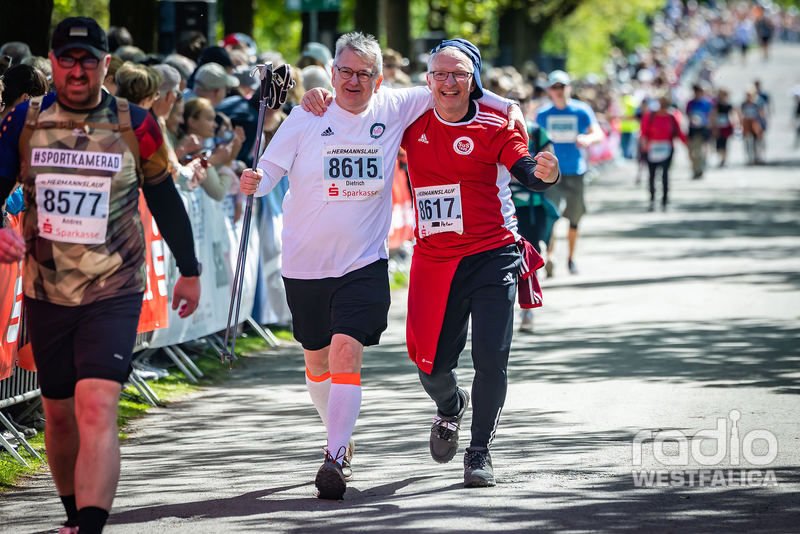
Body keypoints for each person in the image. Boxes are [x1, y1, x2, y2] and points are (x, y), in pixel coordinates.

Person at [239, 31, 525, 500]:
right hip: (305, 262)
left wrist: (507, 104)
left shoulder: (395, 105)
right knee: (317, 362)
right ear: (332, 73)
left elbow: (454, 84)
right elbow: (269, 171)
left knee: (346, 353)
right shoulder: (307, 114)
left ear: (379, 78)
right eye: (345, 72)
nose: (354, 81)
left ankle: (335, 457)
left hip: (364, 261)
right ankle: (339, 433)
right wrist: (256, 180)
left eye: (364, 73)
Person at [0, 18, 202, 534]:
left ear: (105, 63)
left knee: (96, 405)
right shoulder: (24, 119)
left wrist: (190, 270)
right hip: (47, 289)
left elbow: (166, 199)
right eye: (67, 60)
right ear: (53, 61)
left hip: (115, 289)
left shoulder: (137, 124)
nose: (77, 70)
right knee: (59, 414)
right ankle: (74, 513)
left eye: (88, 60)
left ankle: (90, 526)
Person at [400, 39, 559, 487]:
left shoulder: (495, 124)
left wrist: (543, 175)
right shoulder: (409, 122)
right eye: (440, 74)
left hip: (493, 254)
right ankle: (450, 406)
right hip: (435, 260)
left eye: (459, 74)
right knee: (430, 366)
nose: (449, 82)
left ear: (474, 82)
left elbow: (524, 166)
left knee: (491, 357)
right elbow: (356, 112)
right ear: (428, 80)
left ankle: (479, 451)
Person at [536, 70, 604, 276]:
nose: (558, 91)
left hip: (576, 171)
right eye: (554, 87)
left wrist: (587, 139)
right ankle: (550, 256)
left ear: (569, 88)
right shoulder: (543, 114)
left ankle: (571, 259)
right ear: (549, 90)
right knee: (551, 215)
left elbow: (598, 133)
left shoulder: (581, 110)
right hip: (551, 174)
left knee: (575, 216)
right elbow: (533, 138)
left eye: (561, 86)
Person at [179, 98, 234, 200]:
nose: (215, 125)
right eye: (209, 119)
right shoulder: (191, 149)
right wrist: (227, 163)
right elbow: (218, 192)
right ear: (192, 122)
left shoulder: (198, 148)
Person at [640, 94, 687, 211]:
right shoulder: (650, 116)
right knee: (652, 175)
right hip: (652, 148)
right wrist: (644, 146)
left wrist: (687, 144)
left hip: (667, 149)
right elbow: (644, 132)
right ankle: (652, 200)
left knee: (665, 175)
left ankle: (665, 201)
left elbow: (679, 132)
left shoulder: (672, 116)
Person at [685, 83, 713, 179]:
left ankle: (700, 168)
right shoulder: (690, 103)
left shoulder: (706, 103)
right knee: (693, 151)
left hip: (703, 129)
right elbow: (688, 114)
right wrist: (692, 119)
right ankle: (696, 169)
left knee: (701, 150)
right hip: (693, 130)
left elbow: (711, 115)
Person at [710, 88, 735, 167]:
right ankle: (721, 158)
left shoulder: (729, 105)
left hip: (726, 126)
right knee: (718, 143)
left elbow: (732, 115)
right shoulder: (717, 105)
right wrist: (713, 125)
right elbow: (714, 114)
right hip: (719, 126)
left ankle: (724, 160)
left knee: (725, 143)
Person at [740, 87, 765, 165]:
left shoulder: (756, 103)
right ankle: (749, 158)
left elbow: (761, 114)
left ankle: (757, 157)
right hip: (747, 123)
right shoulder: (744, 104)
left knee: (757, 141)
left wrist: (761, 124)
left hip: (755, 123)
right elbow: (741, 114)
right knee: (747, 141)